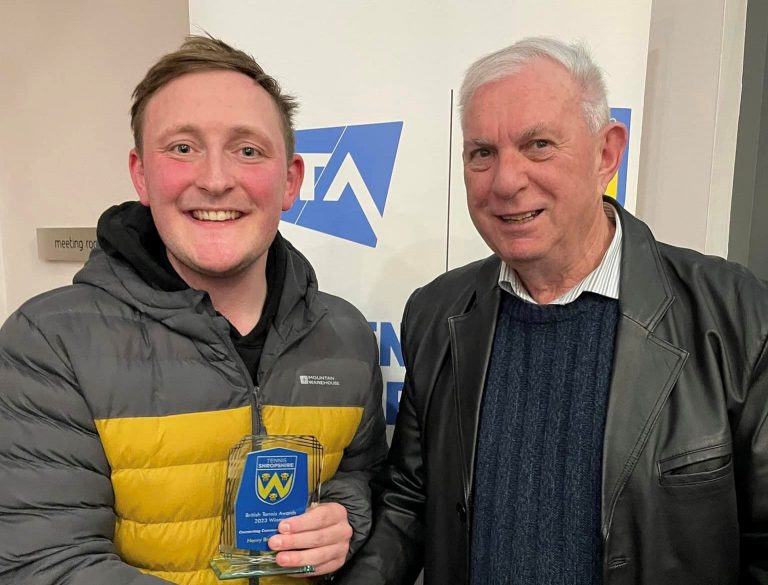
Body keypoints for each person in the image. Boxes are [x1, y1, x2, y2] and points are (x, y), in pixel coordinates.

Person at [337, 37, 768, 585]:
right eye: (482, 153)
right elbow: (412, 500)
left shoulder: (737, 315)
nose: (506, 181)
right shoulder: (436, 313)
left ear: (606, 154)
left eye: (538, 144)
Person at [0, 36, 387, 585]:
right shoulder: (48, 343)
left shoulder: (344, 334)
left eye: (248, 150)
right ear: (141, 175)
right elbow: (44, 565)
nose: (214, 178)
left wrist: (344, 516)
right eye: (183, 148)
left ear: (291, 181)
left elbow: (360, 473)